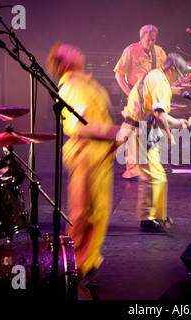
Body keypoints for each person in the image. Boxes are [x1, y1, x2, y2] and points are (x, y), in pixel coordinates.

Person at [47, 43, 122, 292]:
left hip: (98, 156)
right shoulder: (73, 86)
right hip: (86, 155)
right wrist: (114, 132)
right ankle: (75, 267)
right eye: (70, 50)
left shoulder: (83, 82)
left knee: (97, 212)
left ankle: (87, 262)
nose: (77, 50)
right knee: (84, 213)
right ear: (65, 63)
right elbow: (80, 126)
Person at [120, 53, 189, 232]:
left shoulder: (154, 76)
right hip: (141, 130)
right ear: (172, 69)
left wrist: (177, 122)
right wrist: (169, 134)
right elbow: (159, 114)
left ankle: (157, 215)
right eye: (179, 76)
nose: (178, 80)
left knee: (156, 174)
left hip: (144, 129)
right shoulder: (160, 81)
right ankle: (148, 218)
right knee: (152, 175)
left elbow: (158, 113)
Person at [114, 25, 167, 179]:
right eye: (148, 40)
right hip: (134, 95)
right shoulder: (130, 50)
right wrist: (130, 93)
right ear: (141, 38)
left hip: (152, 98)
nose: (151, 43)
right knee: (134, 132)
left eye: (153, 40)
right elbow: (118, 73)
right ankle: (132, 169)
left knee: (151, 131)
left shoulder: (160, 51)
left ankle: (148, 165)